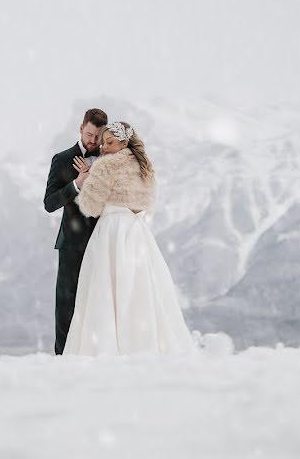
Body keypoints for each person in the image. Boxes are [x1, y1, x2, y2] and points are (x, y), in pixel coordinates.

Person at [62, 121, 198, 356]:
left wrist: (87, 177)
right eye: (103, 143)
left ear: (124, 142)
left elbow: (90, 206)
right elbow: (148, 202)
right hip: (137, 233)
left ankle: (106, 345)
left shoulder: (105, 167)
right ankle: (143, 342)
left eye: (109, 142)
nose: (103, 148)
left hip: (112, 231)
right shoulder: (145, 166)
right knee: (141, 288)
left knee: (104, 288)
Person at [43, 108, 109, 355]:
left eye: (97, 136)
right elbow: (49, 203)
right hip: (72, 244)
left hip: (103, 241)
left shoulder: (109, 158)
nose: (93, 141)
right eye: (90, 134)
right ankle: (62, 359)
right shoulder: (61, 159)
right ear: (81, 128)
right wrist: (76, 184)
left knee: (100, 302)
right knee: (66, 305)